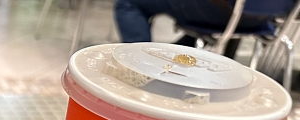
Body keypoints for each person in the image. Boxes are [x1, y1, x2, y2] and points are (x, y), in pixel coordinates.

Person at [115, 0, 295, 50]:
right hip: (263, 18)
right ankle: (178, 59)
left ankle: (138, 68)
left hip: (217, 11)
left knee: (129, 2)